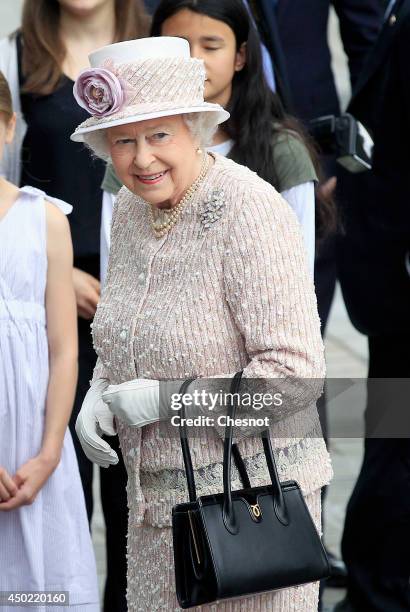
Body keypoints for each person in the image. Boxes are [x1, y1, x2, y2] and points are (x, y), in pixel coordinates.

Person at [72, 36, 333, 610]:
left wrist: (171, 403)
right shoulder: (135, 213)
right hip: (156, 521)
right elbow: (127, 328)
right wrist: (99, 389)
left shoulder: (248, 208)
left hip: (250, 518)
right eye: (123, 141)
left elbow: (294, 378)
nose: (142, 159)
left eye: (159, 135)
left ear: (196, 128)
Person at [0, 2, 149, 610]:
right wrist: (56, 276)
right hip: (47, 287)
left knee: (132, 498)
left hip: (132, 297)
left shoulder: (151, 48)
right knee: (63, 479)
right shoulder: (20, 52)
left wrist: (125, 281)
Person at [100, 0, 330, 286]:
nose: (195, 60)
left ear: (240, 56)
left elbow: (298, 283)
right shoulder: (134, 156)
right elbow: (113, 277)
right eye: (181, 47)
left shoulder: (282, 151)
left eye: (211, 47)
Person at [0, 70, 99, 612]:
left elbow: (64, 350)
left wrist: (49, 452)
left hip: (37, 449)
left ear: (10, 127)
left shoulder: (43, 218)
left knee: (41, 588)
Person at [334, 1, 410, 610]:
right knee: (390, 429)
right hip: (389, 289)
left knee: (395, 447)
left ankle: (377, 592)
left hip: (401, 282)